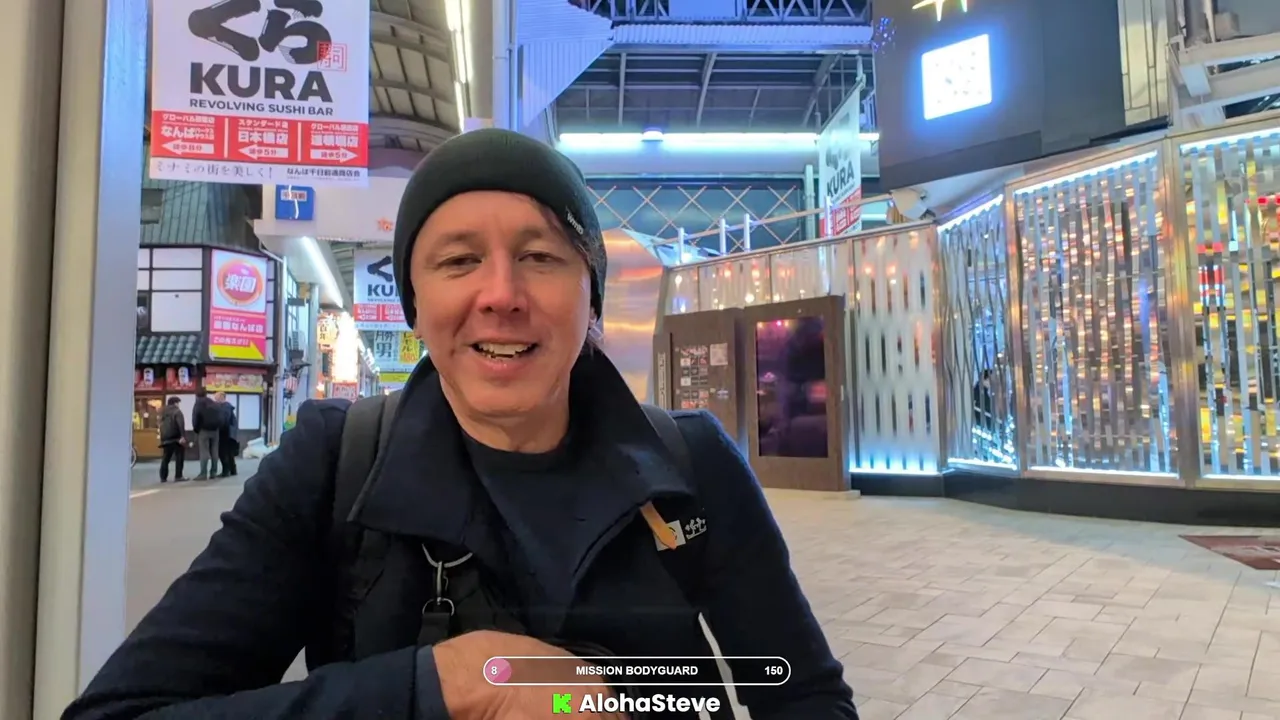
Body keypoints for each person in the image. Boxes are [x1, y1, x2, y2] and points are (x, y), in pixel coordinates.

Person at [65, 129, 858, 719]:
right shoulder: (331, 468)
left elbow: (801, 694)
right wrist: (439, 687)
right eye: (457, 260)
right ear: (416, 305)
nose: (501, 294)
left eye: (541, 257)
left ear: (591, 299)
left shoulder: (692, 465)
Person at [190, 389, 223, 480]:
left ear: (196, 395)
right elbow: (221, 417)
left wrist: (196, 430)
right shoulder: (214, 403)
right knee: (214, 451)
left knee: (204, 452)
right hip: (215, 430)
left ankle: (203, 473)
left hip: (204, 430)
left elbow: (195, 418)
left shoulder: (198, 404)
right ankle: (213, 472)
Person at [157, 396, 187, 483]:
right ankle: (178, 476)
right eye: (178, 403)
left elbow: (159, 425)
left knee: (166, 458)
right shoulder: (177, 411)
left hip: (166, 438)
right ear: (175, 403)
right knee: (179, 457)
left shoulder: (162, 412)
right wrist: (182, 436)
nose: (179, 405)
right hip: (176, 438)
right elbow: (180, 424)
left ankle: (163, 477)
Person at [214, 391, 239, 477]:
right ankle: (233, 470)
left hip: (225, 432)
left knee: (223, 452)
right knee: (229, 452)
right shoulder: (228, 406)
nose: (215, 400)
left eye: (216, 398)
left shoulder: (224, 407)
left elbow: (224, 420)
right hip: (230, 432)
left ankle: (226, 471)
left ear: (221, 397)